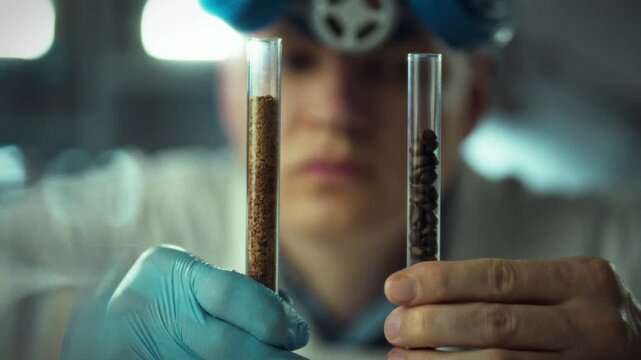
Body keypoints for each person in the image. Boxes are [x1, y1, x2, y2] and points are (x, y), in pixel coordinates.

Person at [1, 0, 640, 359]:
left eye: (391, 71)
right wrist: (62, 329)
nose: (338, 113)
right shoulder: (130, 213)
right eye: (299, 62)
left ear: (470, 105)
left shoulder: (607, 247)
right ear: (231, 92)